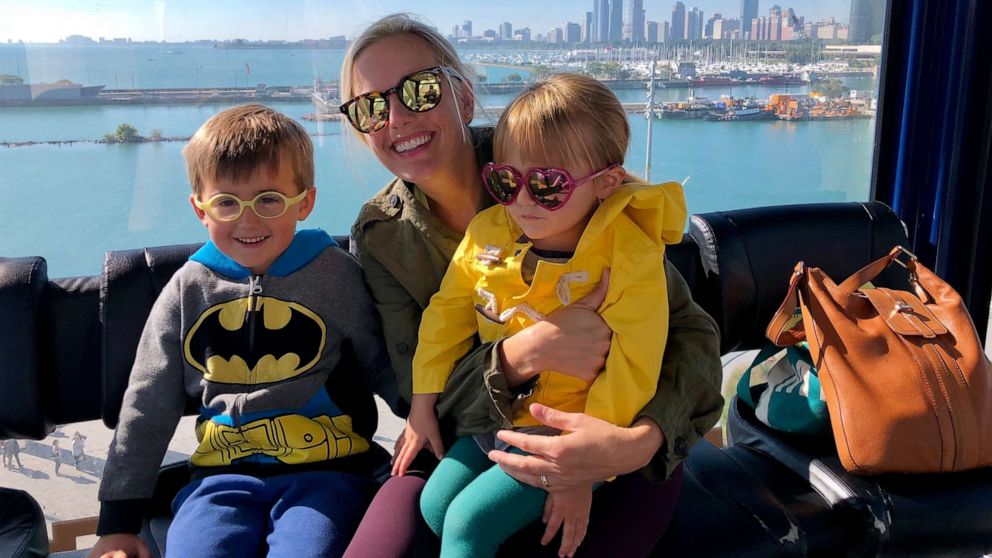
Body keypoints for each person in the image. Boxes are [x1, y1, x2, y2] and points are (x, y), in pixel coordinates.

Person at [342, 14, 723, 558]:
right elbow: (418, 392)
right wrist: (524, 353)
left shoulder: (571, 178)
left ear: (463, 98)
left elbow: (689, 337)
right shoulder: (383, 236)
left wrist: (629, 446)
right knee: (412, 526)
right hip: (473, 430)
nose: (398, 117)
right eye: (372, 106)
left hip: (621, 427)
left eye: (420, 90)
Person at [88, 104, 401, 558]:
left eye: (269, 199)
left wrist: (428, 425)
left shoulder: (335, 274)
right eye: (227, 202)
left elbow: (383, 363)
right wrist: (117, 522)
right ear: (200, 208)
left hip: (328, 472)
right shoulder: (188, 288)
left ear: (305, 202)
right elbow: (147, 403)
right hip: (219, 476)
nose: (248, 220)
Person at [400, 73, 686, 558]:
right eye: (506, 182)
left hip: (575, 428)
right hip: (502, 413)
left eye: (548, 185)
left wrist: (583, 465)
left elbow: (633, 368)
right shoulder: (490, 231)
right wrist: (423, 397)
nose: (523, 202)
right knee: (434, 505)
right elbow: (446, 313)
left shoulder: (629, 257)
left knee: (468, 527)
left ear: (607, 183)